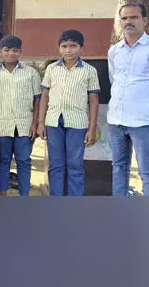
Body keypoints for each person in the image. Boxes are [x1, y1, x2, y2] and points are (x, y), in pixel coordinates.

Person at [108, 3, 149, 196]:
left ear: (145, 20)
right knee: (119, 168)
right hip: (116, 120)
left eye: (133, 17)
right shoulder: (114, 51)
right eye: (124, 18)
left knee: (147, 171)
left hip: (143, 121)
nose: (128, 22)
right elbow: (114, 79)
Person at [37, 30, 100, 196]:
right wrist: (40, 122)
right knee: (56, 164)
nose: (68, 50)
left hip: (77, 123)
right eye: (64, 46)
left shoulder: (89, 71)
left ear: (82, 48)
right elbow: (45, 96)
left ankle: (74, 202)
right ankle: (56, 200)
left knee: (75, 165)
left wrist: (92, 128)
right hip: (53, 121)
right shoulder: (52, 69)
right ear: (59, 48)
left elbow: (93, 100)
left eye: (73, 46)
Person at [0, 35, 41, 196]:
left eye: (15, 50)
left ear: (20, 52)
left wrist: (35, 123)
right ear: (0, 52)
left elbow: (37, 100)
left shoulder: (31, 73)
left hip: (25, 125)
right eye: (7, 50)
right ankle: (2, 193)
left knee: (24, 160)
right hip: (2, 126)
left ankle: (24, 195)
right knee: (3, 159)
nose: (10, 54)